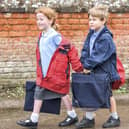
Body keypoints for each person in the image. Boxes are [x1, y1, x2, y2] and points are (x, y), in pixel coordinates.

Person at [16, 6, 83, 128]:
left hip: (56, 74)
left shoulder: (54, 36)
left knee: (62, 93)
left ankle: (72, 116)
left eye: (42, 19)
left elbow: (70, 49)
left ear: (51, 20)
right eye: (37, 19)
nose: (39, 22)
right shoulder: (42, 35)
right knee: (39, 93)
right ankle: (34, 119)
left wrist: (77, 67)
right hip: (44, 74)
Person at [75, 4, 121, 129]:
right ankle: (89, 118)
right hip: (93, 70)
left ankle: (115, 117)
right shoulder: (91, 34)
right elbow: (85, 49)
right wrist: (84, 63)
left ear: (103, 20)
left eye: (94, 19)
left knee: (108, 94)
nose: (91, 22)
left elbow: (99, 55)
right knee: (90, 92)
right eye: (90, 19)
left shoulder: (106, 38)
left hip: (104, 72)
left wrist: (88, 65)